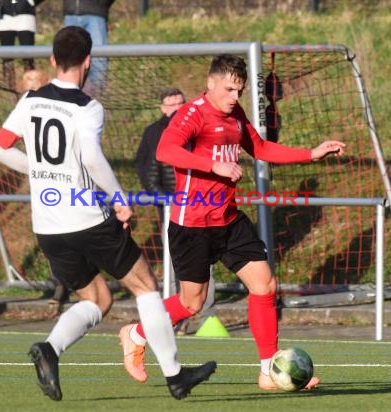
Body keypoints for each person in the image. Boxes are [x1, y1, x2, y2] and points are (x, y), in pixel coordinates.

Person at [0, 26, 216, 401]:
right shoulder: (87, 107)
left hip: (46, 224)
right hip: (85, 218)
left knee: (97, 300)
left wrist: (39, 170)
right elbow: (92, 158)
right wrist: (120, 199)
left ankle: (50, 348)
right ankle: (175, 375)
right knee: (145, 286)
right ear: (89, 62)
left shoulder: (30, 99)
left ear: (52, 60)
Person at [119, 54, 346, 390]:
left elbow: (261, 147)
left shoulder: (235, 114)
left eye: (239, 90)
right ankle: (135, 334)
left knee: (264, 285)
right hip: (192, 222)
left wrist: (310, 153)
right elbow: (166, 151)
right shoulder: (192, 113)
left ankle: (268, 372)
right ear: (210, 83)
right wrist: (215, 166)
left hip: (227, 219)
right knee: (191, 303)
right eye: (228, 89)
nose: (234, 97)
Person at [135, 87, 215, 335]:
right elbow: (147, 169)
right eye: (171, 105)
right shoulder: (154, 132)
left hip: (200, 204)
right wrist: (165, 198)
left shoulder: (198, 127)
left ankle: (204, 314)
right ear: (162, 108)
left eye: (180, 103)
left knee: (204, 260)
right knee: (173, 262)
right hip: (172, 207)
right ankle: (172, 317)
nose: (176, 109)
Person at [0, 0, 46, 90]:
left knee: (28, 55)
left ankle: (31, 87)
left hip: (25, 15)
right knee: (7, 56)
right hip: (4, 16)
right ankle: (8, 88)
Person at [62, 0, 115, 96]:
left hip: (96, 14)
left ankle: (97, 101)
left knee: (99, 61)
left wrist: (101, 4)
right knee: (68, 62)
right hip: (70, 13)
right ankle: (70, 100)